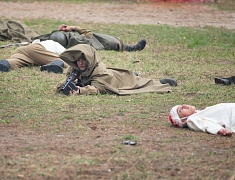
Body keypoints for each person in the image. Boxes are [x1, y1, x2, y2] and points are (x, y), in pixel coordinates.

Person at [56, 44, 177, 96]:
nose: (80, 62)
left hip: (115, 80)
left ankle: (160, 81)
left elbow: (97, 89)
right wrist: (67, 85)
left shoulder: (100, 71)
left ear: (90, 59)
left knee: (137, 83)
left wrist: (80, 90)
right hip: (109, 75)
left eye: (83, 59)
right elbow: (64, 84)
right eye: (78, 60)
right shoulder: (75, 70)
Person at [33, 24, 146, 52]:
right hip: (96, 42)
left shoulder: (49, 42)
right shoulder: (81, 40)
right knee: (110, 41)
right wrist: (74, 27)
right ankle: (130, 48)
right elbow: (88, 34)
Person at [0, 39, 68, 73]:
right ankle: (53, 66)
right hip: (35, 49)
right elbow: (67, 57)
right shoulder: (59, 46)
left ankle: (4, 63)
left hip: (23, 51)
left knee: (16, 62)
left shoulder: (46, 41)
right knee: (65, 62)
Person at [169, 103, 235, 136]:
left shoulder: (200, 113)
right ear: (183, 121)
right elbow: (206, 125)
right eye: (180, 110)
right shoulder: (191, 120)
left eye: (181, 105)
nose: (184, 105)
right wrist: (220, 130)